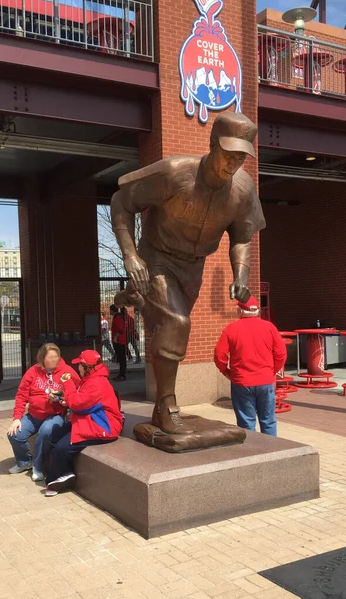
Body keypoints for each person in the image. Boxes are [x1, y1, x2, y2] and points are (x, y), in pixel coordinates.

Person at [111, 112, 264, 434]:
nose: (233, 164)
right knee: (177, 323)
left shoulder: (243, 189)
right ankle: (166, 406)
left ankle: (136, 298)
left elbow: (242, 238)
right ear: (212, 144)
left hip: (194, 265)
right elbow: (121, 203)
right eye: (228, 155)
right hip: (157, 256)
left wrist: (241, 276)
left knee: (170, 329)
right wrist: (130, 257)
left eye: (241, 158)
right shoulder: (173, 172)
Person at [44, 350, 124, 496]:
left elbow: (76, 403)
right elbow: (82, 401)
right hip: (91, 419)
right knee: (54, 436)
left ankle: (60, 477)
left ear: (86, 366)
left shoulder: (97, 382)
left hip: (103, 425)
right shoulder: (92, 377)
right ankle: (64, 472)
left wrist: (67, 383)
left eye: (79, 365)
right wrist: (63, 398)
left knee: (62, 447)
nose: (77, 368)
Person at [214, 296, 286, 436]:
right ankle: (272, 451)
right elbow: (281, 354)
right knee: (268, 420)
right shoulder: (269, 327)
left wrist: (227, 372)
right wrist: (272, 371)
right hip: (265, 380)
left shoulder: (231, 329)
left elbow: (219, 355)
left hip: (242, 381)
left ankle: (252, 452)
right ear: (257, 311)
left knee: (246, 422)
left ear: (239, 311)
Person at [7, 343, 80, 481]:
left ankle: (37, 466)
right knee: (14, 434)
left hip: (57, 414)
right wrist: (17, 417)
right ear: (42, 358)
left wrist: (60, 396)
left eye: (56, 357)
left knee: (45, 431)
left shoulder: (67, 371)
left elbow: (78, 392)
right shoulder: (33, 372)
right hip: (35, 414)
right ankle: (24, 462)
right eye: (50, 357)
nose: (54, 360)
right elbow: (22, 395)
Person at [110, 304, 127, 381]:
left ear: (112, 310)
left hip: (119, 341)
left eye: (110, 310)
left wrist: (115, 338)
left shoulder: (117, 318)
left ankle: (122, 375)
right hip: (119, 341)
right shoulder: (118, 317)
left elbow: (121, 330)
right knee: (121, 359)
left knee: (121, 358)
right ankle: (121, 374)